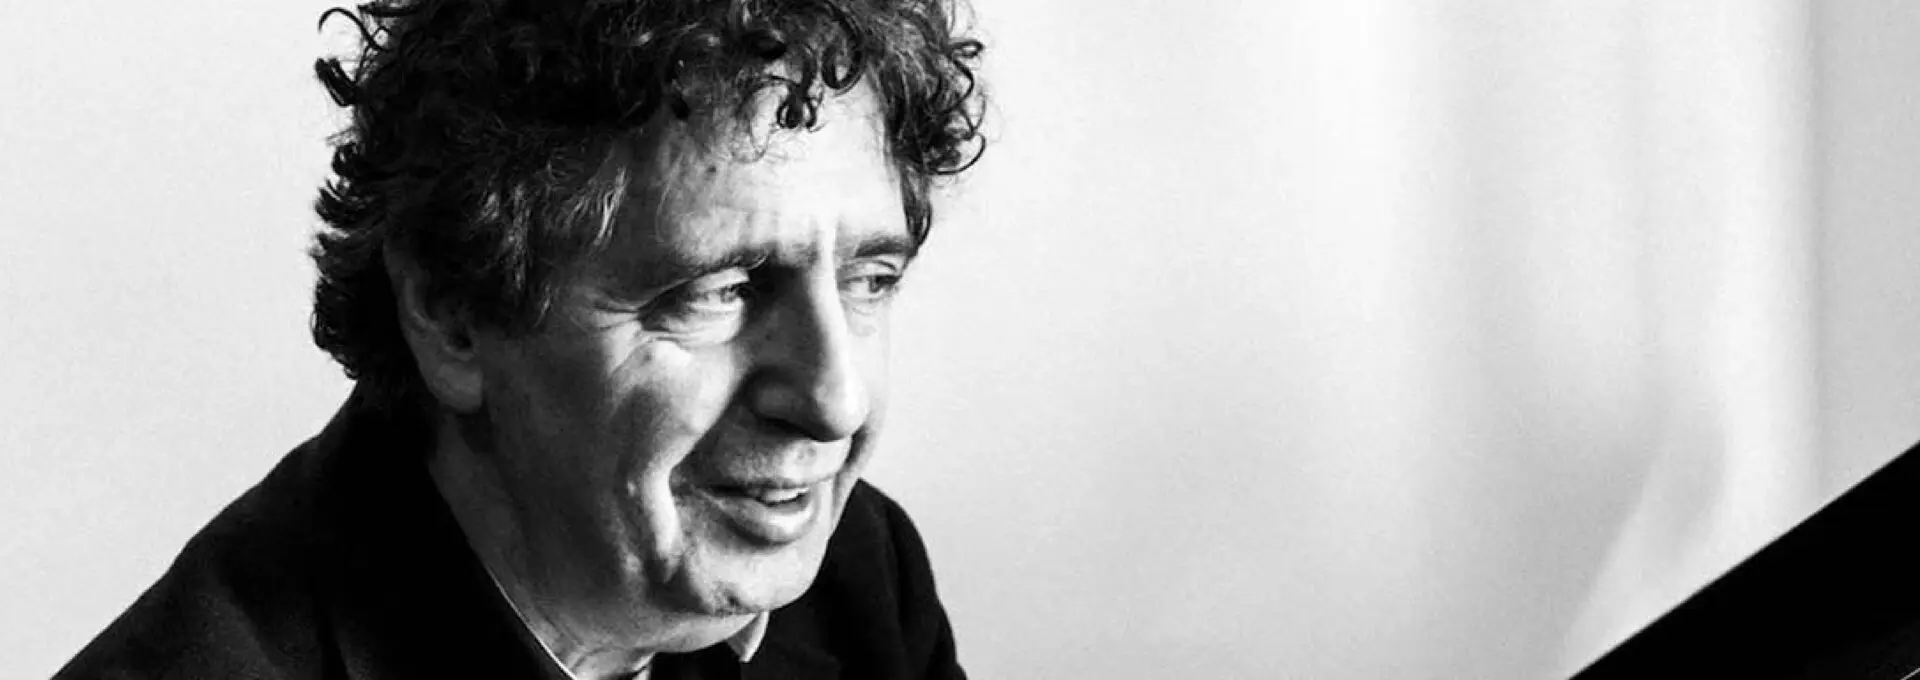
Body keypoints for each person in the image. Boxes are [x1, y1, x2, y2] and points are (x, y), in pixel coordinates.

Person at [56, 0, 984, 678]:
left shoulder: (861, 577)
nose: (835, 401)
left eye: (870, 280)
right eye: (720, 292)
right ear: (453, 318)